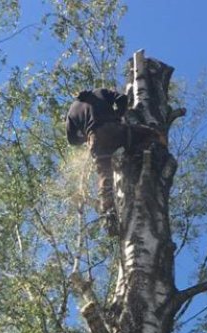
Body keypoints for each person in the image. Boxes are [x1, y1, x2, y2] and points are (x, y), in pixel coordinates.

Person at [66, 88, 164, 235]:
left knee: (105, 177)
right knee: (151, 134)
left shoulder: (72, 110)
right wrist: (119, 114)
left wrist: (86, 138)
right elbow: (122, 98)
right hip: (115, 129)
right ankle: (142, 159)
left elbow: (72, 140)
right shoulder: (100, 92)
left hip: (96, 140)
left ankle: (108, 214)